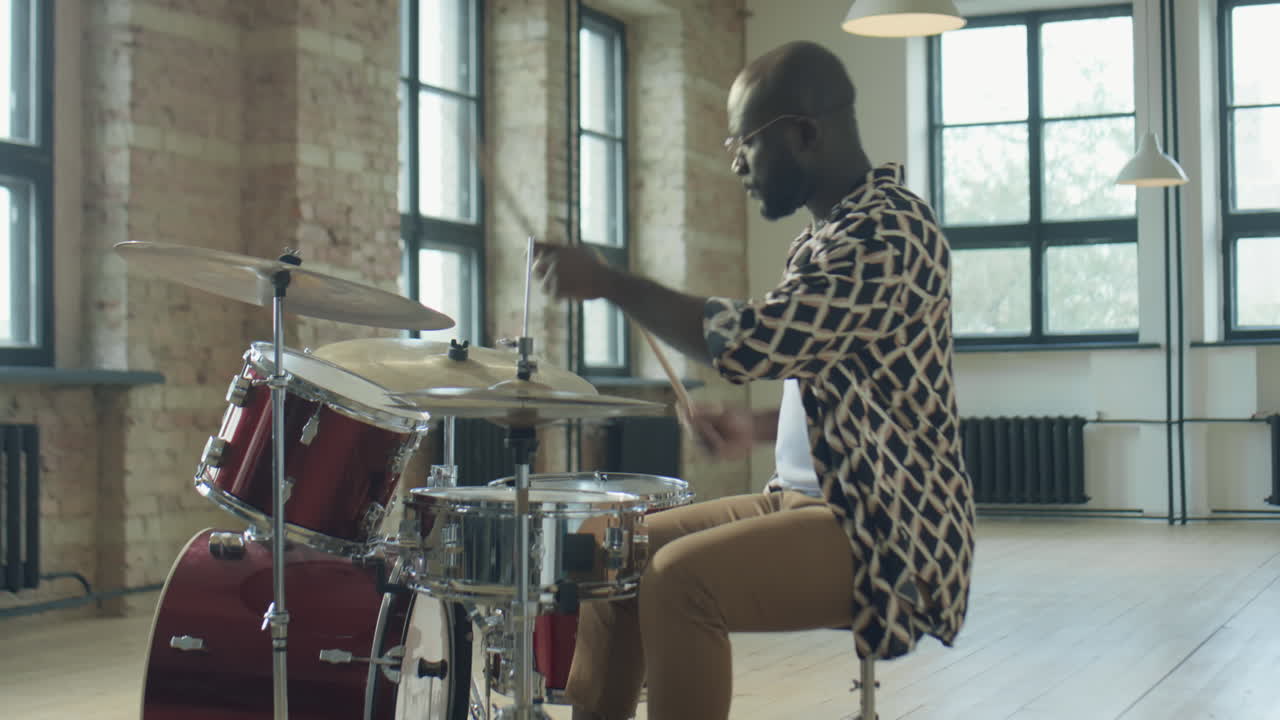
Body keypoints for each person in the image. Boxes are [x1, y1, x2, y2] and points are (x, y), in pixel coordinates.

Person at [532, 40, 976, 720]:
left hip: (888, 528)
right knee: (605, 549)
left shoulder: (890, 232)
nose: (736, 162)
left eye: (746, 142)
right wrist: (758, 428)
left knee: (680, 581)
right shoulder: (829, 235)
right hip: (808, 503)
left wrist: (610, 283)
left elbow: (752, 342)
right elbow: (857, 386)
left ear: (804, 133)